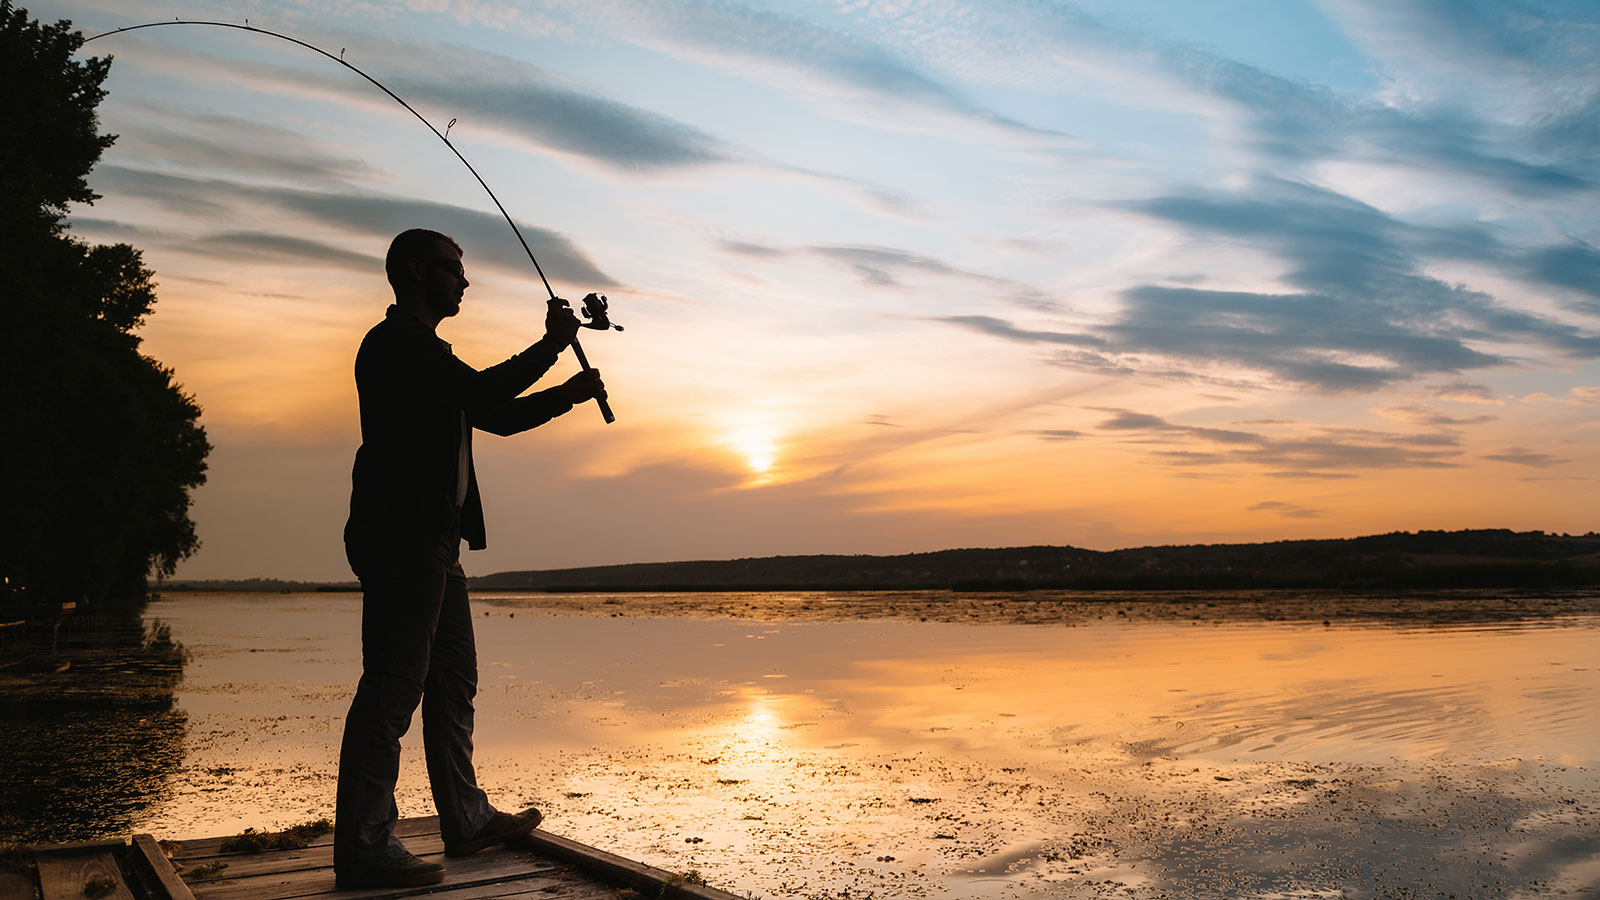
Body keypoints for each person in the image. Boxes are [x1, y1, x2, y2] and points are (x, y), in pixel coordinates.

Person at [334, 228, 606, 889]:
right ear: (416, 271)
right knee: (393, 686)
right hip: (402, 538)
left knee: (453, 681)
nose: (464, 280)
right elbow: (484, 395)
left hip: (438, 542)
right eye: (453, 269)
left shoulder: (429, 356)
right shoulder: (398, 346)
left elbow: (498, 417)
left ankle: (466, 817)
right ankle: (364, 846)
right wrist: (552, 345)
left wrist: (568, 393)